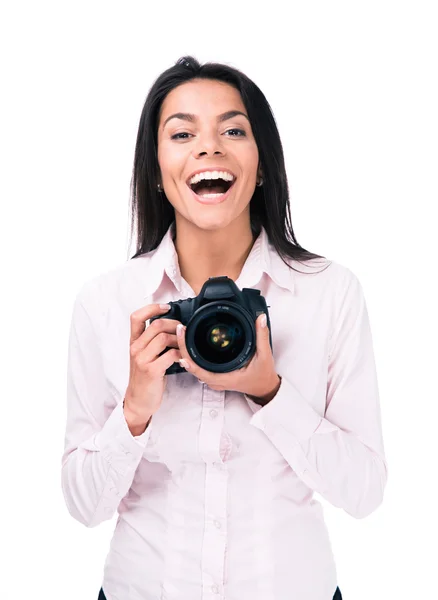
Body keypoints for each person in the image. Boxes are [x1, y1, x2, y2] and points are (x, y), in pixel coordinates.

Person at [62, 55, 387, 600]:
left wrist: (268, 391)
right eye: (182, 132)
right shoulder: (106, 302)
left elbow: (364, 492)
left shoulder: (330, 292)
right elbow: (82, 506)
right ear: (158, 171)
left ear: (261, 166)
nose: (208, 147)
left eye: (233, 130)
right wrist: (135, 409)